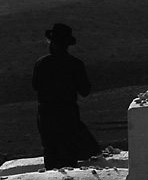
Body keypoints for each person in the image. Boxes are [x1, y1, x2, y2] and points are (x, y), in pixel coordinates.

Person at [32, 23, 98, 169]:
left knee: (50, 151)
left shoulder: (41, 63)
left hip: (46, 115)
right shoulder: (76, 64)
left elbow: (35, 86)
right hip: (68, 115)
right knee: (69, 153)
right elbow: (85, 91)